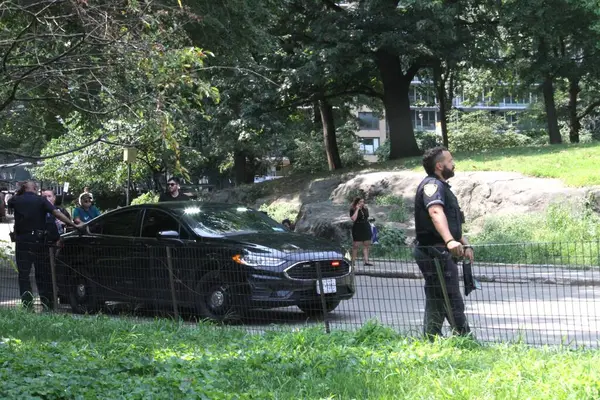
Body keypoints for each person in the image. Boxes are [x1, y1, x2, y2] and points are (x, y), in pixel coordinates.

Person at [413, 146, 474, 339]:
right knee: (451, 297)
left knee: (437, 296)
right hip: (435, 251)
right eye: (450, 161)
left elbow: (451, 222)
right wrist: (449, 241)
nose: (453, 164)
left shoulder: (443, 188)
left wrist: (464, 243)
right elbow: (436, 213)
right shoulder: (432, 186)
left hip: (439, 249)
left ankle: (430, 338)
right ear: (440, 166)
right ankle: (465, 339)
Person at [8, 181, 82, 309]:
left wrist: (20, 191)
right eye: (35, 186)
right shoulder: (41, 201)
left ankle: (27, 304)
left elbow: (9, 204)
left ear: (23, 188)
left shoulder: (16, 200)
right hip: (39, 240)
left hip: (23, 240)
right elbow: (57, 213)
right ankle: (47, 303)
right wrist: (73, 224)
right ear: (34, 188)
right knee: (42, 273)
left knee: (24, 274)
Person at [349, 197, 373, 267]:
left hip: (365, 226)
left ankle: (366, 261)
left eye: (363, 202)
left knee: (366, 244)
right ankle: (353, 262)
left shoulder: (365, 208)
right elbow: (353, 219)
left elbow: (366, 217)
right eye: (360, 202)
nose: (362, 203)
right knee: (355, 246)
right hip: (357, 227)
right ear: (356, 203)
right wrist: (357, 209)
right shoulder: (352, 209)